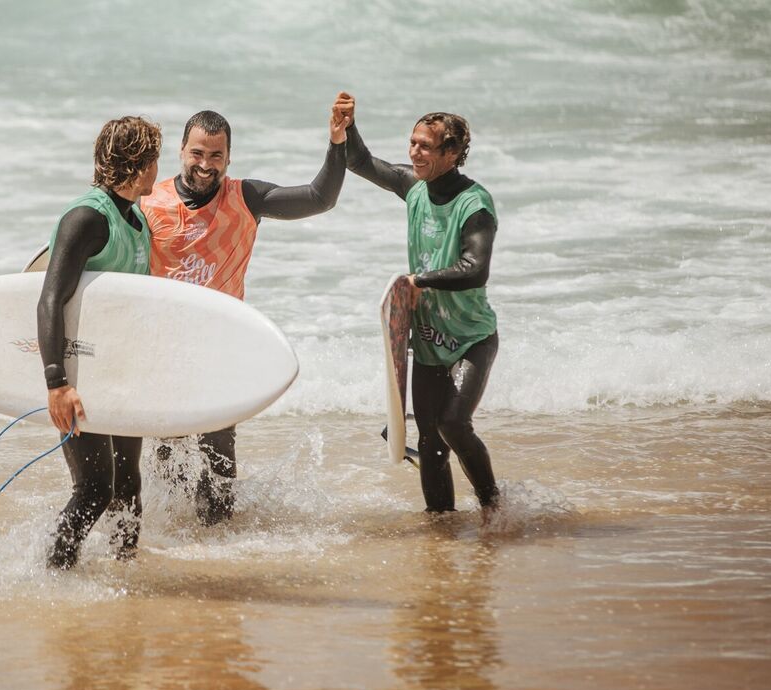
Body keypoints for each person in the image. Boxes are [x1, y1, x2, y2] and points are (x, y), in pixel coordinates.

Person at [139, 102, 351, 526]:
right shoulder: (147, 202)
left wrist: (337, 142)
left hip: (221, 348)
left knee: (218, 458)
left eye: (216, 156)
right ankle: (173, 543)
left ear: (229, 158)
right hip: (165, 351)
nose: (205, 165)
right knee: (168, 457)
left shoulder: (245, 197)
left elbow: (319, 198)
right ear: (182, 151)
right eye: (197, 153)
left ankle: (219, 549)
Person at [337, 92, 501, 519]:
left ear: (452, 153)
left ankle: (494, 506)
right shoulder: (414, 188)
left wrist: (416, 280)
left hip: (471, 339)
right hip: (427, 339)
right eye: (412, 143)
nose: (413, 152)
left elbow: (475, 268)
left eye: (424, 146)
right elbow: (361, 162)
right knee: (429, 442)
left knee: (452, 424)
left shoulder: (474, 204)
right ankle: (441, 526)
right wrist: (346, 125)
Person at [37, 116, 161, 569]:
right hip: (77, 373)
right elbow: (49, 299)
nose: (157, 170)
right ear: (140, 164)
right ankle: (54, 576)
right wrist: (56, 383)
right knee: (94, 488)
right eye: (154, 160)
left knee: (128, 484)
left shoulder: (134, 217)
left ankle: (124, 574)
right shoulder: (87, 218)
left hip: (117, 371)